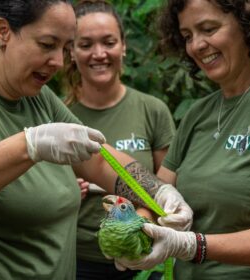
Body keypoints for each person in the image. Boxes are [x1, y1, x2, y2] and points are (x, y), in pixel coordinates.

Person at [0, 0, 193, 279]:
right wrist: (28, 146)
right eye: (47, 45)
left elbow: (99, 159)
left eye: (65, 47)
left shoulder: (39, 99)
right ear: (3, 32)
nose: (59, 62)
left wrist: (160, 195)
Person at [112, 0, 250, 279]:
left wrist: (195, 246)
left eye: (208, 29)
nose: (196, 45)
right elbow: (156, 198)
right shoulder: (198, 113)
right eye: (187, 36)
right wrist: (133, 229)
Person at [62, 1, 177, 279]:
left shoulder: (152, 110)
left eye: (109, 42)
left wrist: (139, 224)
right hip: (76, 262)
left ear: (123, 46)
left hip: (143, 257)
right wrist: (63, 190)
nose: (99, 53)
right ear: (72, 52)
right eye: (86, 44)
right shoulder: (58, 116)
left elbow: (169, 183)